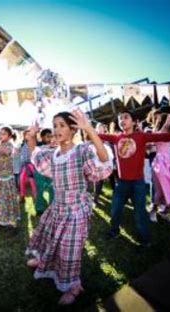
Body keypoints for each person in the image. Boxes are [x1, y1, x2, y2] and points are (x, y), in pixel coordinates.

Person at [25, 110, 112, 305]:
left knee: (68, 250)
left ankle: (73, 286)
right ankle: (45, 262)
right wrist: (31, 137)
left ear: (73, 130)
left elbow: (104, 160)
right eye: (55, 125)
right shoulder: (53, 154)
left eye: (62, 125)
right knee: (50, 239)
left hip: (75, 211)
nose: (56, 129)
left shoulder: (81, 151)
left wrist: (89, 128)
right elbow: (37, 158)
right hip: (58, 207)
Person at [99, 110, 170, 247]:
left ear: (133, 121)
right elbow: (99, 135)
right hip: (122, 183)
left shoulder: (141, 136)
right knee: (115, 210)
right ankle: (114, 231)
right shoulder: (116, 138)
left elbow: (163, 136)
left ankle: (145, 239)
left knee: (140, 213)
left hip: (138, 183)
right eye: (120, 118)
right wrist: (86, 128)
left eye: (125, 117)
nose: (122, 120)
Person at [33, 128, 56, 215]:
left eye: (51, 136)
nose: (50, 138)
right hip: (39, 173)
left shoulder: (54, 146)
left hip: (51, 172)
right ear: (42, 137)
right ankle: (39, 208)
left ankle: (52, 208)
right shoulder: (38, 147)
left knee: (52, 189)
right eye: (48, 136)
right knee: (40, 190)